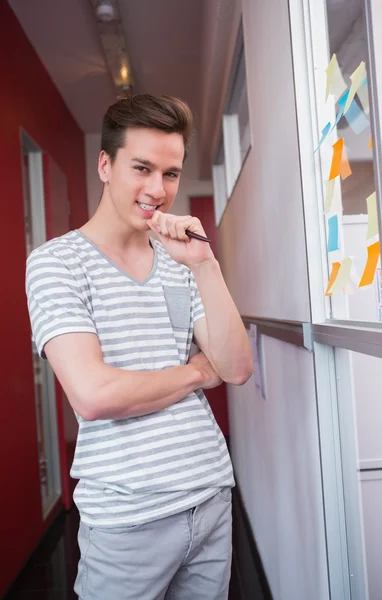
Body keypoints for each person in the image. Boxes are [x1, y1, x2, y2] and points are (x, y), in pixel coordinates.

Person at [26, 94, 253, 600]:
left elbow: (235, 367)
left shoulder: (180, 263)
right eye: (142, 168)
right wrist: (197, 372)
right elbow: (94, 394)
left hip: (210, 495)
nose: (157, 189)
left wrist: (204, 264)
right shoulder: (56, 264)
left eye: (170, 173)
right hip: (129, 517)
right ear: (105, 165)